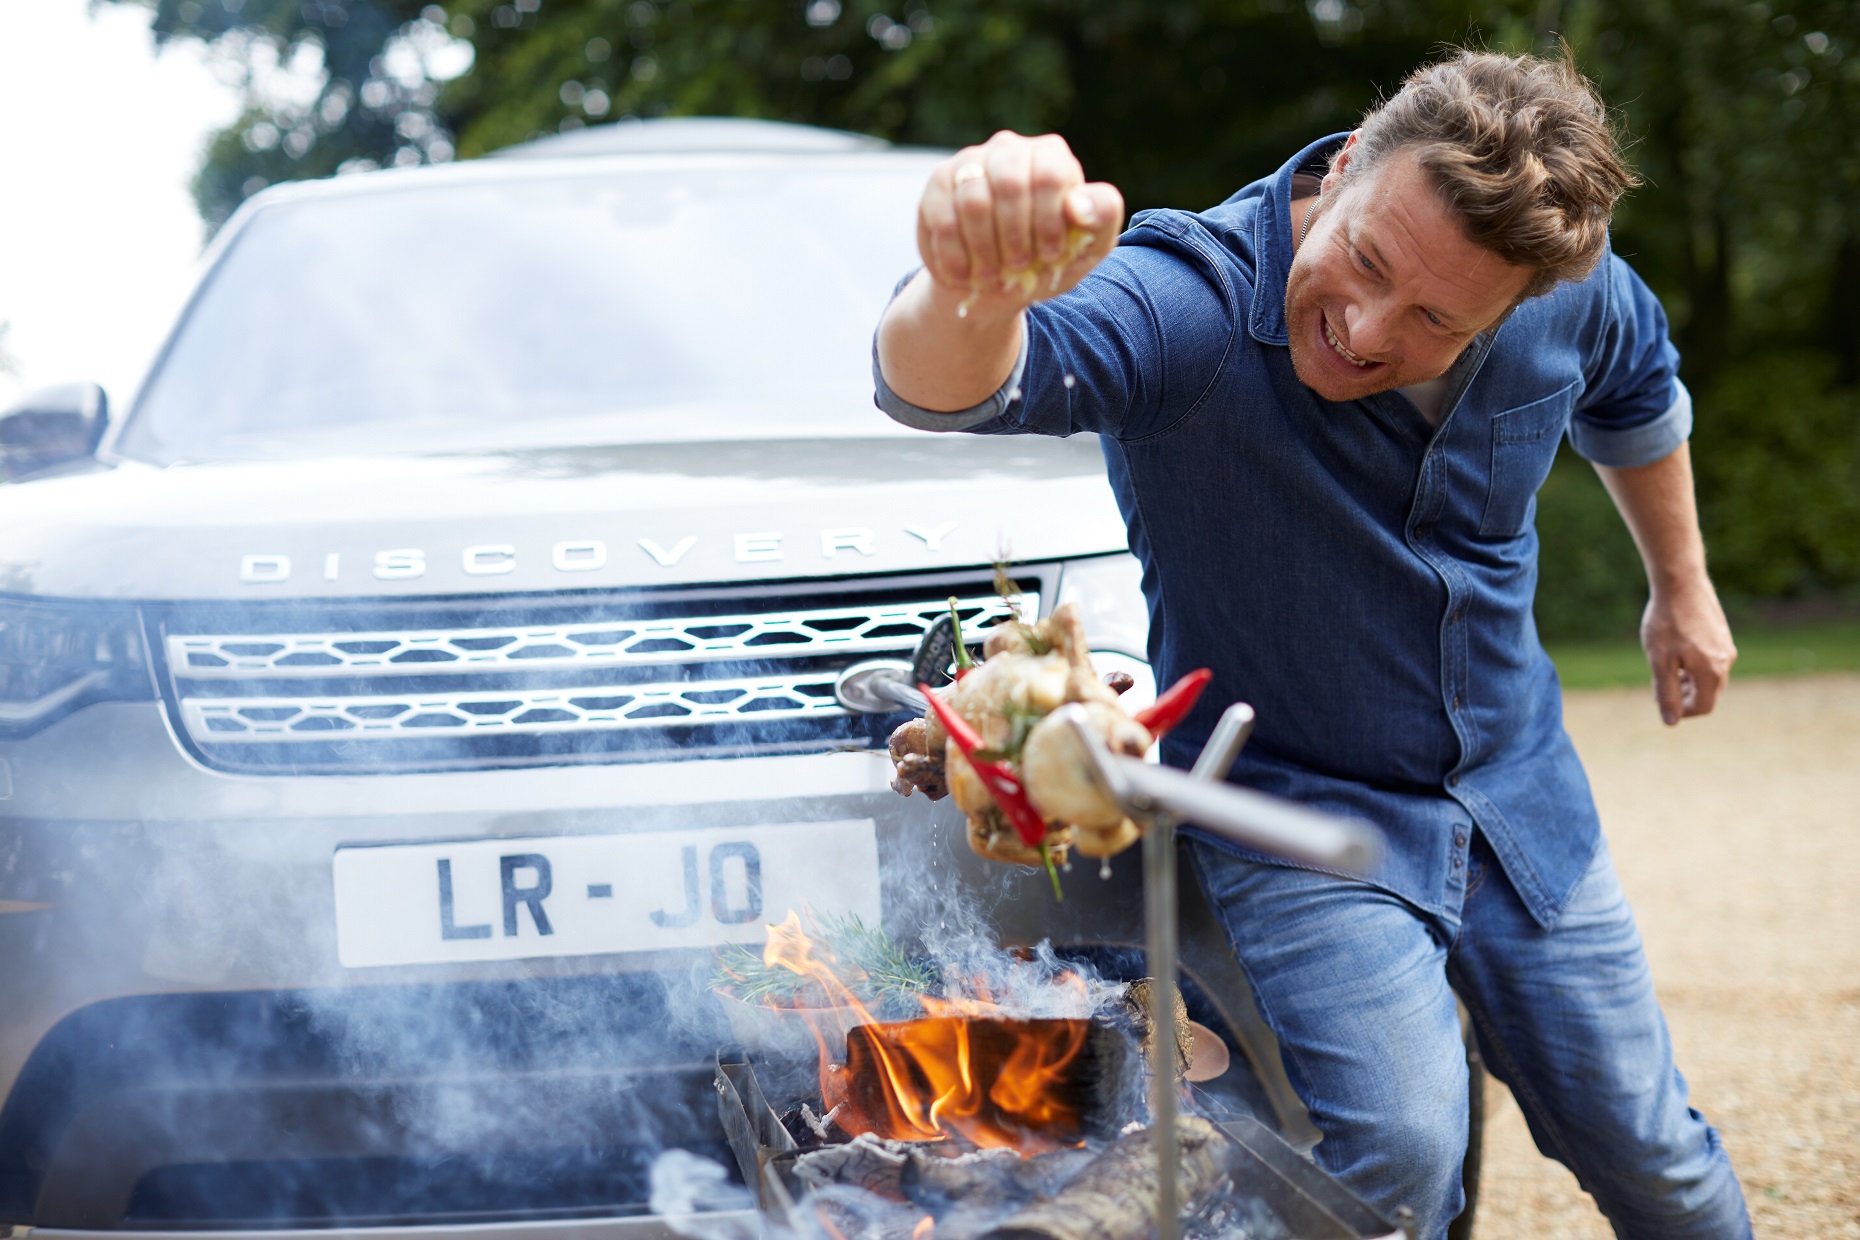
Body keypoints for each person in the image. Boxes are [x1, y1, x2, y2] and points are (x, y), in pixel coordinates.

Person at [872, 48, 1750, 1240]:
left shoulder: (1568, 288)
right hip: (1301, 812)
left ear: (1514, 304)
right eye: (1368, 260)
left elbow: (1639, 389)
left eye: (1435, 318)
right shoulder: (1189, 303)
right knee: (1400, 1153)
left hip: (1520, 793)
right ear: (1343, 169)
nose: (1365, 324)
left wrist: (1682, 587)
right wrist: (969, 287)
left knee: (1659, 1163)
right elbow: (953, 386)